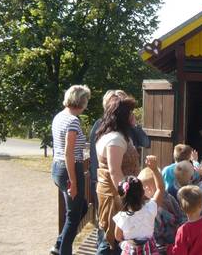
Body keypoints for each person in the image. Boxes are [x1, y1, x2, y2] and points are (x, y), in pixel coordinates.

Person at [89, 90, 150, 255]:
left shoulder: (117, 134)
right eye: (130, 112)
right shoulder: (114, 139)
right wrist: (129, 197)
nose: (132, 115)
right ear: (123, 116)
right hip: (116, 197)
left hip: (117, 195)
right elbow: (115, 171)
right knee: (111, 241)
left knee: (110, 239)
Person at [50, 85, 91, 255]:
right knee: (73, 216)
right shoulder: (73, 121)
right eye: (86, 100)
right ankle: (63, 251)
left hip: (57, 167)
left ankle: (59, 245)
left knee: (80, 208)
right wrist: (73, 182)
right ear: (81, 101)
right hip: (70, 169)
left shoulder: (59, 116)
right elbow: (69, 152)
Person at [113, 155, 164, 254]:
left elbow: (117, 236)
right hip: (150, 250)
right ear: (142, 192)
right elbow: (160, 189)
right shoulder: (150, 208)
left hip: (130, 251)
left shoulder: (121, 217)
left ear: (122, 197)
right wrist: (154, 169)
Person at [138, 167, 187, 254]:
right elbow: (181, 215)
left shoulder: (152, 208)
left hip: (162, 246)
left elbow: (156, 232)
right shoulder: (169, 196)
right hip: (176, 239)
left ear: (148, 189)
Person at [172, 185, 202, 255]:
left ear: (182, 208)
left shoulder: (183, 230)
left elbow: (179, 252)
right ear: (201, 205)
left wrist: (169, 249)